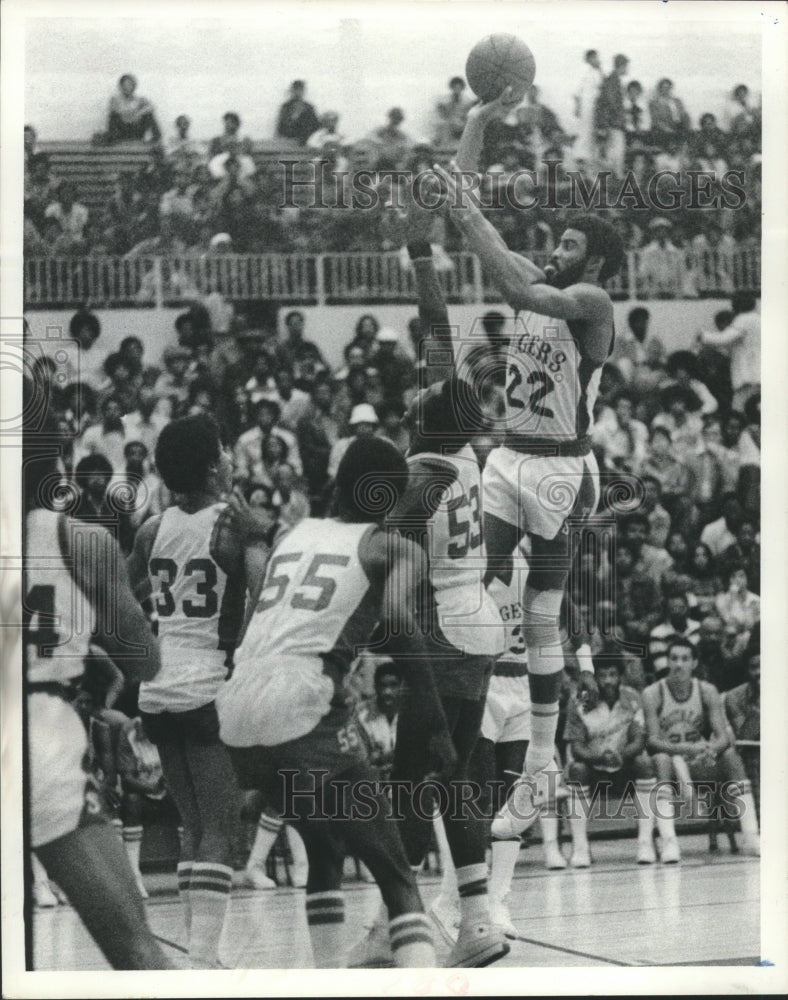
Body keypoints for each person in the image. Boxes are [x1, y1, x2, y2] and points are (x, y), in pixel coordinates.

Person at [435, 94, 622, 808]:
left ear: (595, 261)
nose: (556, 248)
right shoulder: (539, 283)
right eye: (558, 242)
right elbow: (460, 203)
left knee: (543, 611)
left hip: (562, 470)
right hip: (507, 457)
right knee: (473, 586)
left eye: (570, 245)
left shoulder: (592, 305)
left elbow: (511, 279)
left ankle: (543, 758)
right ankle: (472, 724)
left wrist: (485, 233)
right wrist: (479, 124)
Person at [217, 436, 455, 969]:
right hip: (303, 702)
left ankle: (328, 979)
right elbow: (397, 622)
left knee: (324, 850)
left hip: (236, 708)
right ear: (391, 498)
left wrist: (252, 537)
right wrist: (435, 718)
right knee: (396, 876)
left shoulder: (295, 532)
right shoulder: (393, 548)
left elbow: (260, 592)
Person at [23, 416, 172, 969]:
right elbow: (144, 661)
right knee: (136, 947)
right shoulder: (81, 539)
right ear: (56, 462)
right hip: (39, 738)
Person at [127, 414, 247, 968]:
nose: (228, 458)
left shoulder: (151, 528)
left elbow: (127, 602)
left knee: (191, 827)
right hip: (208, 681)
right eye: (222, 451)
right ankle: (202, 959)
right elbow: (256, 600)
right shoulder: (231, 522)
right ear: (211, 464)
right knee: (220, 830)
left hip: (158, 685)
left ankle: (203, 952)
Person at [642, 637, 760, 862]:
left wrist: (710, 749)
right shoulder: (653, 693)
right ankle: (669, 842)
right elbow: (653, 741)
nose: (679, 664)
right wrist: (686, 748)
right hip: (670, 763)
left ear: (694, 663)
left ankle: (751, 835)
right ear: (668, 661)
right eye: (674, 658)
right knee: (661, 759)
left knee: (730, 756)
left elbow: (722, 737)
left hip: (697, 762)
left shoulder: (706, 691)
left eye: (685, 659)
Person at [563, 655, 660, 866]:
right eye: (602, 675)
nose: (608, 681)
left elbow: (639, 740)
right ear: (594, 678)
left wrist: (621, 755)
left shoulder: (633, 698)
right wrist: (599, 757)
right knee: (576, 770)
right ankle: (580, 848)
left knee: (645, 763)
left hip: (625, 766)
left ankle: (645, 844)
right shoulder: (579, 701)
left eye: (613, 675)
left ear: (620, 677)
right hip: (593, 768)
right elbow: (576, 747)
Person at [594, 54, 630, 176]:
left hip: (612, 122)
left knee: (614, 150)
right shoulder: (613, 80)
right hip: (614, 122)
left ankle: (613, 175)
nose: (627, 69)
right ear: (622, 65)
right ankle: (616, 176)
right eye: (626, 66)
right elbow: (611, 102)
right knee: (617, 150)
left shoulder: (612, 79)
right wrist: (619, 116)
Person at [107, 74, 161, 143]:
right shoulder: (115, 99)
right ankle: (113, 140)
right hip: (122, 130)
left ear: (134, 86)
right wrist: (130, 114)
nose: (127, 87)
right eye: (124, 85)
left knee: (149, 115)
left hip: (136, 130)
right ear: (121, 87)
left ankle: (155, 140)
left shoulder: (140, 99)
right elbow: (115, 110)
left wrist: (139, 113)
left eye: (129, 85)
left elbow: (151, 107)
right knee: (113, 116)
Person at [573, 49, 603, 166]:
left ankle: (589, 155)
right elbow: (577, 91)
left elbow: (601, 85)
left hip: (594, 104)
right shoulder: (583, 71)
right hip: (586, 103)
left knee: (592, 130)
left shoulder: (596, 72)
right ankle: (580, 155)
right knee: (585, 129)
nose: (597, 60)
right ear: (589, 59)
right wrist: (577, 106)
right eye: (594, 58)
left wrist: (600, 69)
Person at [276, 81, 320, 145]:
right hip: (289, 141)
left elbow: (316, 126)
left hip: (306, 142)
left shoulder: (309, 107)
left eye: (300, 90)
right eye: (296, 90)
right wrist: (294, 117)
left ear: (303, 91)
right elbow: (280, 128)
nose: (298, 92)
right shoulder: (286, 107)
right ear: (292, 91)